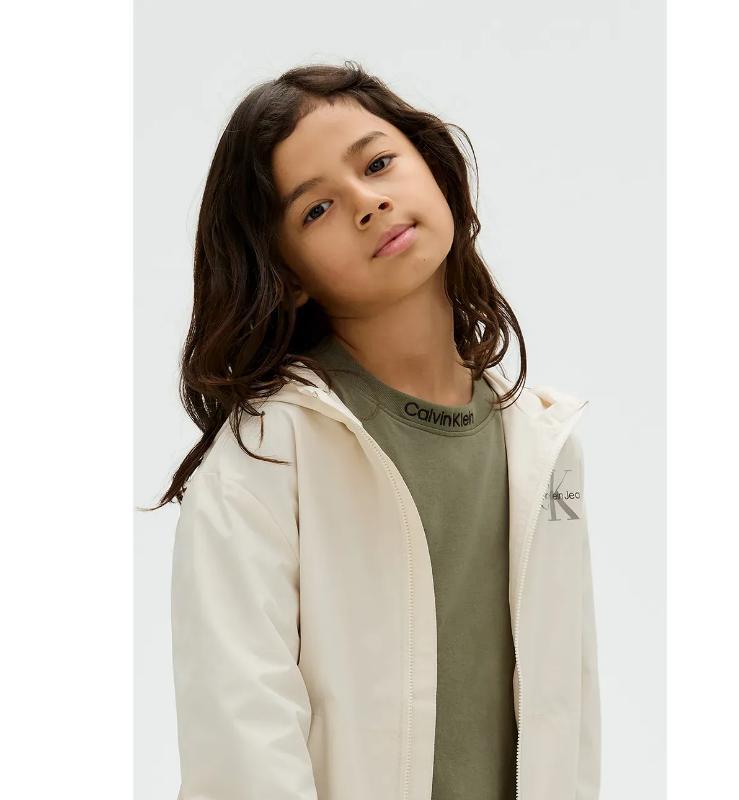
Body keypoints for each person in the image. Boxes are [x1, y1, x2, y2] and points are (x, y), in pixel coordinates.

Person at [146, 60, 601, 800]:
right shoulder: (266, 458)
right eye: (316, 209)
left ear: (435, 169)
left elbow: (568, 713)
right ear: (289, 274)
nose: (367, 203)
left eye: (379, 163)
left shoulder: (544, 445)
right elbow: (242, 741)